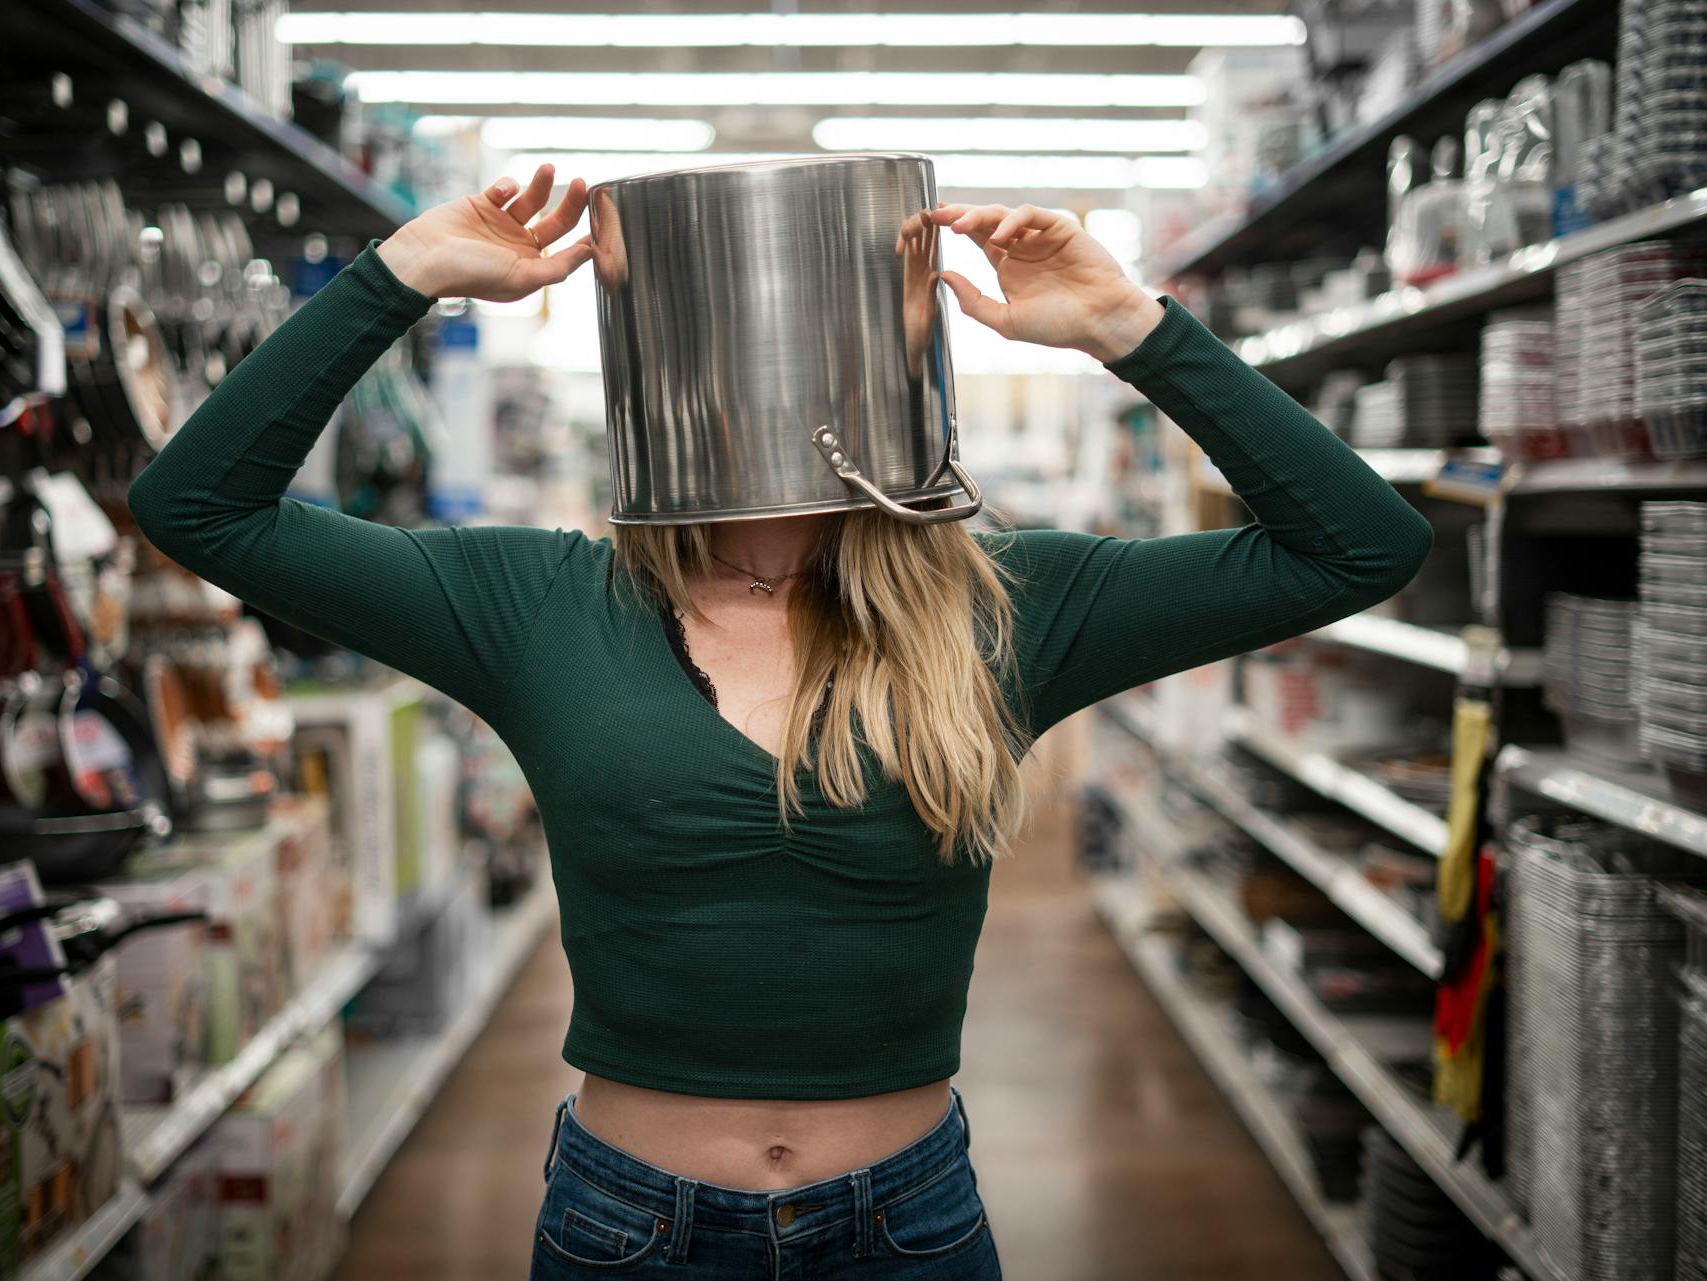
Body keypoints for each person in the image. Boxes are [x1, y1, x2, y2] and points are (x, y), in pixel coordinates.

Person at [130, 163, 1432, 1278]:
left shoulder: (1010, 605)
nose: (774, 357)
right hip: (627, 1222)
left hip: (907, 1221)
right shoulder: (537, 600)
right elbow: (200, 506)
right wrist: (399, 276)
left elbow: (1358, 547)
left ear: (909, 339)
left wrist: (1132, 327)